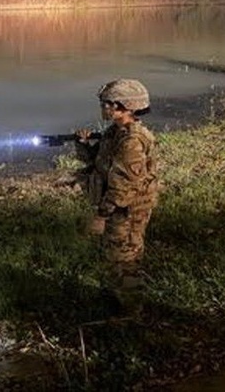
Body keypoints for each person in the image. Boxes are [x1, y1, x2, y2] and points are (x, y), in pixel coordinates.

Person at [74, 79, 160, 313]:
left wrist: (101, 215)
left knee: (125, 258)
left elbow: (124, 186)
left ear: (122, 106)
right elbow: (99, 162)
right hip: (118, 209)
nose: (103, 108)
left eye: (106, 104)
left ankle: (132, 310)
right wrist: (83, 145)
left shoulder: (131, 141)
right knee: (115, 255)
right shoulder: (116, 132)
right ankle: (118, 296)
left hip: (127, 211)